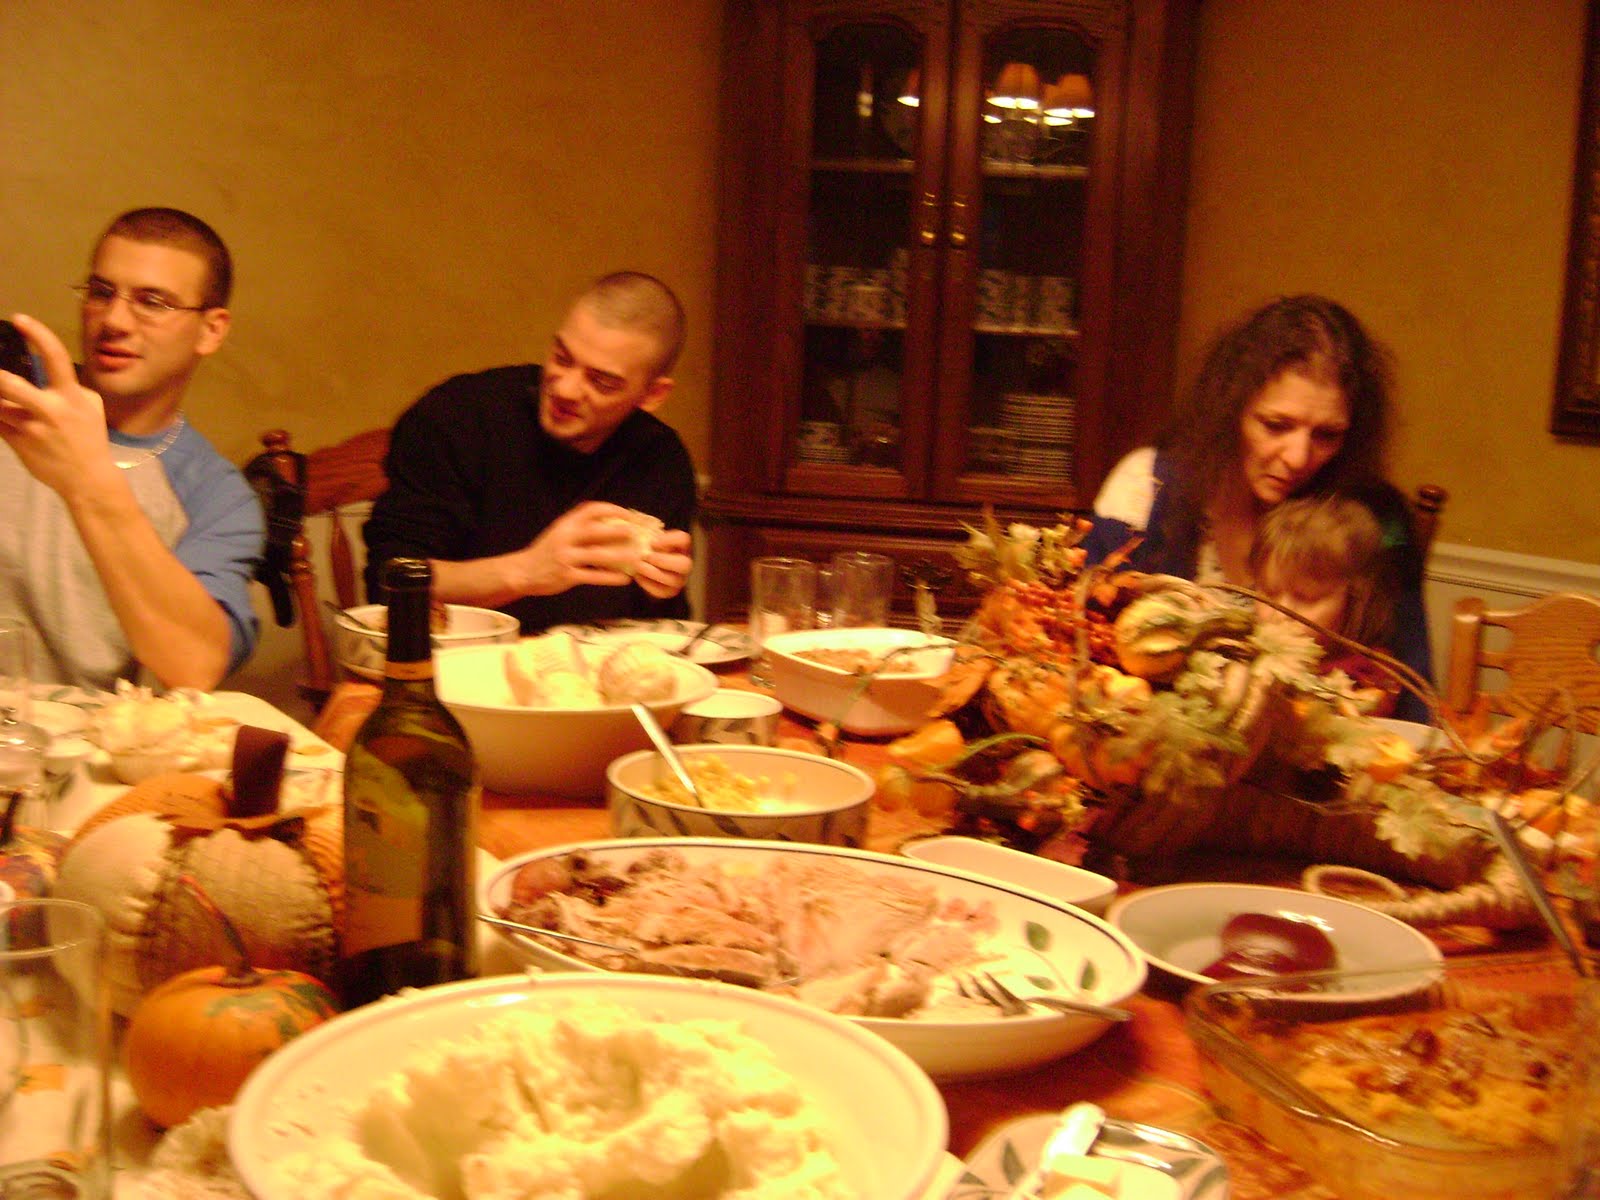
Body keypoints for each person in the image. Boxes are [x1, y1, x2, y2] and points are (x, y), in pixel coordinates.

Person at [1081, 293, 1432, 717]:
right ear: (1231, 409)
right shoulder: (1146, 487)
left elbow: (1413, 698)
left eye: (1327, 435)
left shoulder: (1380, 521)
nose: (1298, 458)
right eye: (1276, 425)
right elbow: (1084, 647)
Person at [0, 208, 264, 691]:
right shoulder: (13, 391)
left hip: (70, 734)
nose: (114, 320)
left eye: (153, 302)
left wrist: (89, 482)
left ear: (211, 330)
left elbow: (196, 665)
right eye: (102, 293)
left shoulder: (216, 495)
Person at [363, 271, 696, 631]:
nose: (565, 390)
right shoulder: (456, 417)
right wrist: (525, 572)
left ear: (652, 395)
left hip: (592, 662)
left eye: (601, 382)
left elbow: (660, 625)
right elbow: (391, 580)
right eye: (562, 358)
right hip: (459, 658)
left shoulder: (662, 459)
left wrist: (661, 588)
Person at [1249, 490, 1407, 715]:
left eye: (1307, 598)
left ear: (1355, 600)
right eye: (1269, 593)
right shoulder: (1242, 652)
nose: (1280, 614)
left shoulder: (1368, 678)